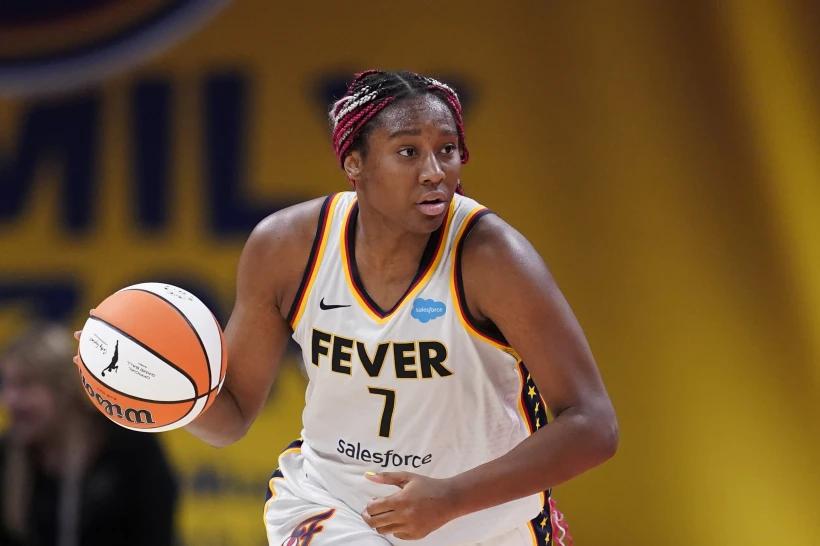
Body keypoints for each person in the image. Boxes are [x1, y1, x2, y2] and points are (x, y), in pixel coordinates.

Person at [187, 70, 618, 546]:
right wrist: (164, 394)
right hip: (334, 503)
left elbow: (594, 424)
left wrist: (450, 498)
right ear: (354, 163)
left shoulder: (492, 258)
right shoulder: (286, 247)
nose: (434, 171)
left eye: (447, 149)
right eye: (408, 151)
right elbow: (230, 416)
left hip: (480, 520)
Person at [0, 323, 179, 546]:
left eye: (26, 385)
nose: (10, 400)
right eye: (7, 385)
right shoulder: (6, 456)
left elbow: (157, 532)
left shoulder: (131, 446)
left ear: (64, 389)